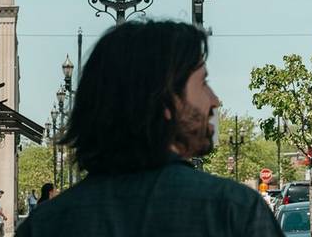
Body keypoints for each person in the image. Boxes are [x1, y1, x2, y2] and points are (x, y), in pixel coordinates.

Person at [16, 20, 283, 237]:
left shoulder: (44, 226)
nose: (214, 100)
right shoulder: (233, 211)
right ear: (166, 101)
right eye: (203, 83)